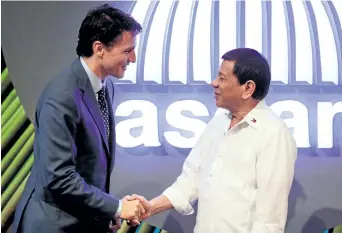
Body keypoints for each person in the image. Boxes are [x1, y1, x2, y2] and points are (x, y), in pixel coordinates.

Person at [133, 48, 297, 233]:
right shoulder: (218, 122)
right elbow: (190, 181)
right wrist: (151, 207)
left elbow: (270, 219)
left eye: (222, 78)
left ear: (248, 88)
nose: (214, 83)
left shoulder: (273, 133)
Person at [12, 4, 144, 233]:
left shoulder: (103, 86)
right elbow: (59, 178)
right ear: (99, 48)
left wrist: (106, 212)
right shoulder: (61, 96)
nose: (132, 58)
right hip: (53, 226)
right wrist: (118, 206)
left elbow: (89, 167)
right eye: (127, 51)